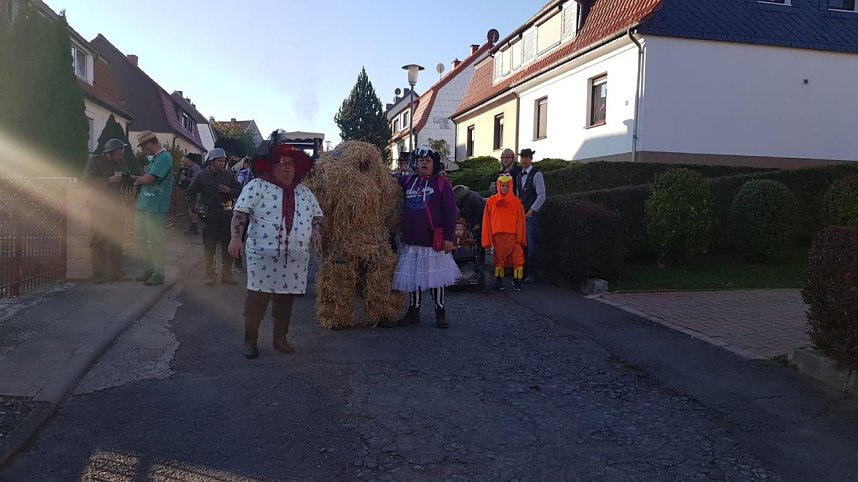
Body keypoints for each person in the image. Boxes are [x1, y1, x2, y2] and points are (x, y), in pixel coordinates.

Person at [228, 144, 323, 359]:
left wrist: (316, 230)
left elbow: (317, 215)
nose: (286, 168)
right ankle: (250, 341)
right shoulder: (257, 186)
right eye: (281, 164)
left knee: (285, 300)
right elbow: (240, 214)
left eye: (290, 164)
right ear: (271, 167)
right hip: (262, 256)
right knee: (257, 299)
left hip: (294, 258)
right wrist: (235, 238)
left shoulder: (304, 192)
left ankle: (280, 339)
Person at [392, 147, 461, 329]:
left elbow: (450, 213)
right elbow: (390, 180)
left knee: (436, 277)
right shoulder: (409, 181)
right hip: (412, 241)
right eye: (421, 160)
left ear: (434, 164)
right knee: (413, 277)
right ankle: (414, 311)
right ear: (416, 163)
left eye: (428, 160)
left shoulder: (442, 185)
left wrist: (449, 238)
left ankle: (440, 311)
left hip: (432, 242)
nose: (424, 163)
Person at [186, 148, 241, 285]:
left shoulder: (229, 176)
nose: (222, 163)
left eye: (224, 160)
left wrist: (229, 190)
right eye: (219, 160)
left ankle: (227, 275)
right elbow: (190, 192)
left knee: (227, 246)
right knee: (210, 246)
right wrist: (194, 207)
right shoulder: (201, 176)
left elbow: (240, 191)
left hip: (227, 214)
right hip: (209, 215)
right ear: (212, 162)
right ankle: (210, 275)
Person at [82, 138, 131, 283]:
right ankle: (98, 274)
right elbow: (87, 181)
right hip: (99, 206)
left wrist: (128, 179)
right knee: (98, 240)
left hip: (116, 205)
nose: (120, 157)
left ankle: (116, 273)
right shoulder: (95, 161)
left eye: (122, 154)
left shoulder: (121, 162)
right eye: (118, 154)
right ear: (109, 153)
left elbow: (127, 176)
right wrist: (108, 181)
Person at [130, 131, 173, 286]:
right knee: (139, 238)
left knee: (155, 241)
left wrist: (136, 180)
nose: (143, 151)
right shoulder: (155, 158)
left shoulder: (164, 158)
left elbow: (149, 179)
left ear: (149, 144)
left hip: (156, 206)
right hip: (144, 204)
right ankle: (149, 268)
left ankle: (158, 273)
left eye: (143, 148)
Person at [482, 174, 527, 291]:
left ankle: (517, 281)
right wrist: (488, 241)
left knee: (518, 259)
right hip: (498, 237)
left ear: (511, 186)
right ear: (498, 186)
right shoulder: (491, 201)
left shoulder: (517, 202)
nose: (504, 188)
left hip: (514, 236)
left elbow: (520, 221)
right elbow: (486, 221)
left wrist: (520, 238)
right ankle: (499, 281)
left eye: (507, 186)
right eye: (502, 185)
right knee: (499, 260)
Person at [516, 148, 546, 283]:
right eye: (522, 157)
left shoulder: (537, 174)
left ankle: (532, 274)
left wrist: (531, 211)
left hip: (532, 216)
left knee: (532, 245)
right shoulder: (518, 176)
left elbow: (542, 195)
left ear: (531, 159)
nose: (524, 160)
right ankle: (522, 272)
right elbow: (518, 196)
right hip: (521, 215)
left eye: (527, 157)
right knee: (522, 244)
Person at [453, 184, 486, 264]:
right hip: (470, 221)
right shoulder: (464, 197)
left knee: (478, 240)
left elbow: (480, 212)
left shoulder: (473, 198)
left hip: (477, 222)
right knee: (473, 240)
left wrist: (477, 223)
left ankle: (479, 259)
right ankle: (471, 257)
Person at [178, 154, 202, 235]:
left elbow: (197, 179)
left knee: (193, 208)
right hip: (191, 192)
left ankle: (194, 227)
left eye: (185, 160)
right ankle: (193, 227)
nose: (184, 162)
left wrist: (186, 179)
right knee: (191, 208)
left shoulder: (195, 168)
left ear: (190, 160)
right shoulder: (189, 168)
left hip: (194, 193)